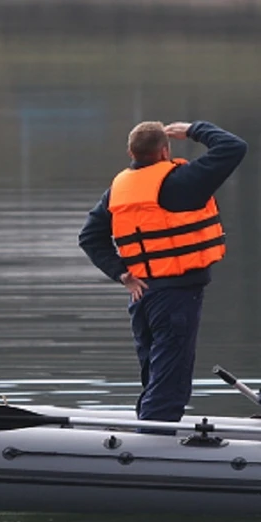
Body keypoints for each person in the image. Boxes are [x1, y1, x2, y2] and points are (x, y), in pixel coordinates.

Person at [78, 120, 247, 429]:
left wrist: (122, 275)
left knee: (156, 374)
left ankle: (146, 430)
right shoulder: (184, 182)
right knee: (171, 380)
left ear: (130, 151)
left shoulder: (118, 191)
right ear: (165, 150)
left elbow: (90, 237)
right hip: (177, 298)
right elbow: (233, 147)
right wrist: (195, 129)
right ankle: (151, 448)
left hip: (141, 296)